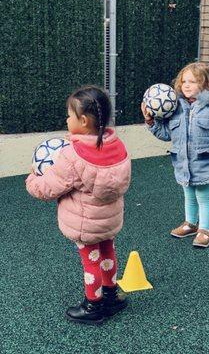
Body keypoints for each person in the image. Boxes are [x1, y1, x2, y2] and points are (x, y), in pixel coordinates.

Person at [26, 85, 131, 325]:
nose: (66, 119)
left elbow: (47, 188)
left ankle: (93, 306)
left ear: (83, 121)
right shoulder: (118, 146)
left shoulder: (72, 156)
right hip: (109, 219)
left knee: (90, 260)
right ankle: (112, 297)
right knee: (108, 252)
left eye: (69, 115)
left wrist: (33, 177)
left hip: (85, 223)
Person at [141, 62, 209, 248]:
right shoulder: (176, 109)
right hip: (183, 163)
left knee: (204, 196)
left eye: (192, 81)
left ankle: (205, 230)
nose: (186, 85)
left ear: (206, 84)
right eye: (183, 81)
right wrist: (150, 122)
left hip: (205, 163)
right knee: (189, 195)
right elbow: (166, 134)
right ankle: (190, 224)